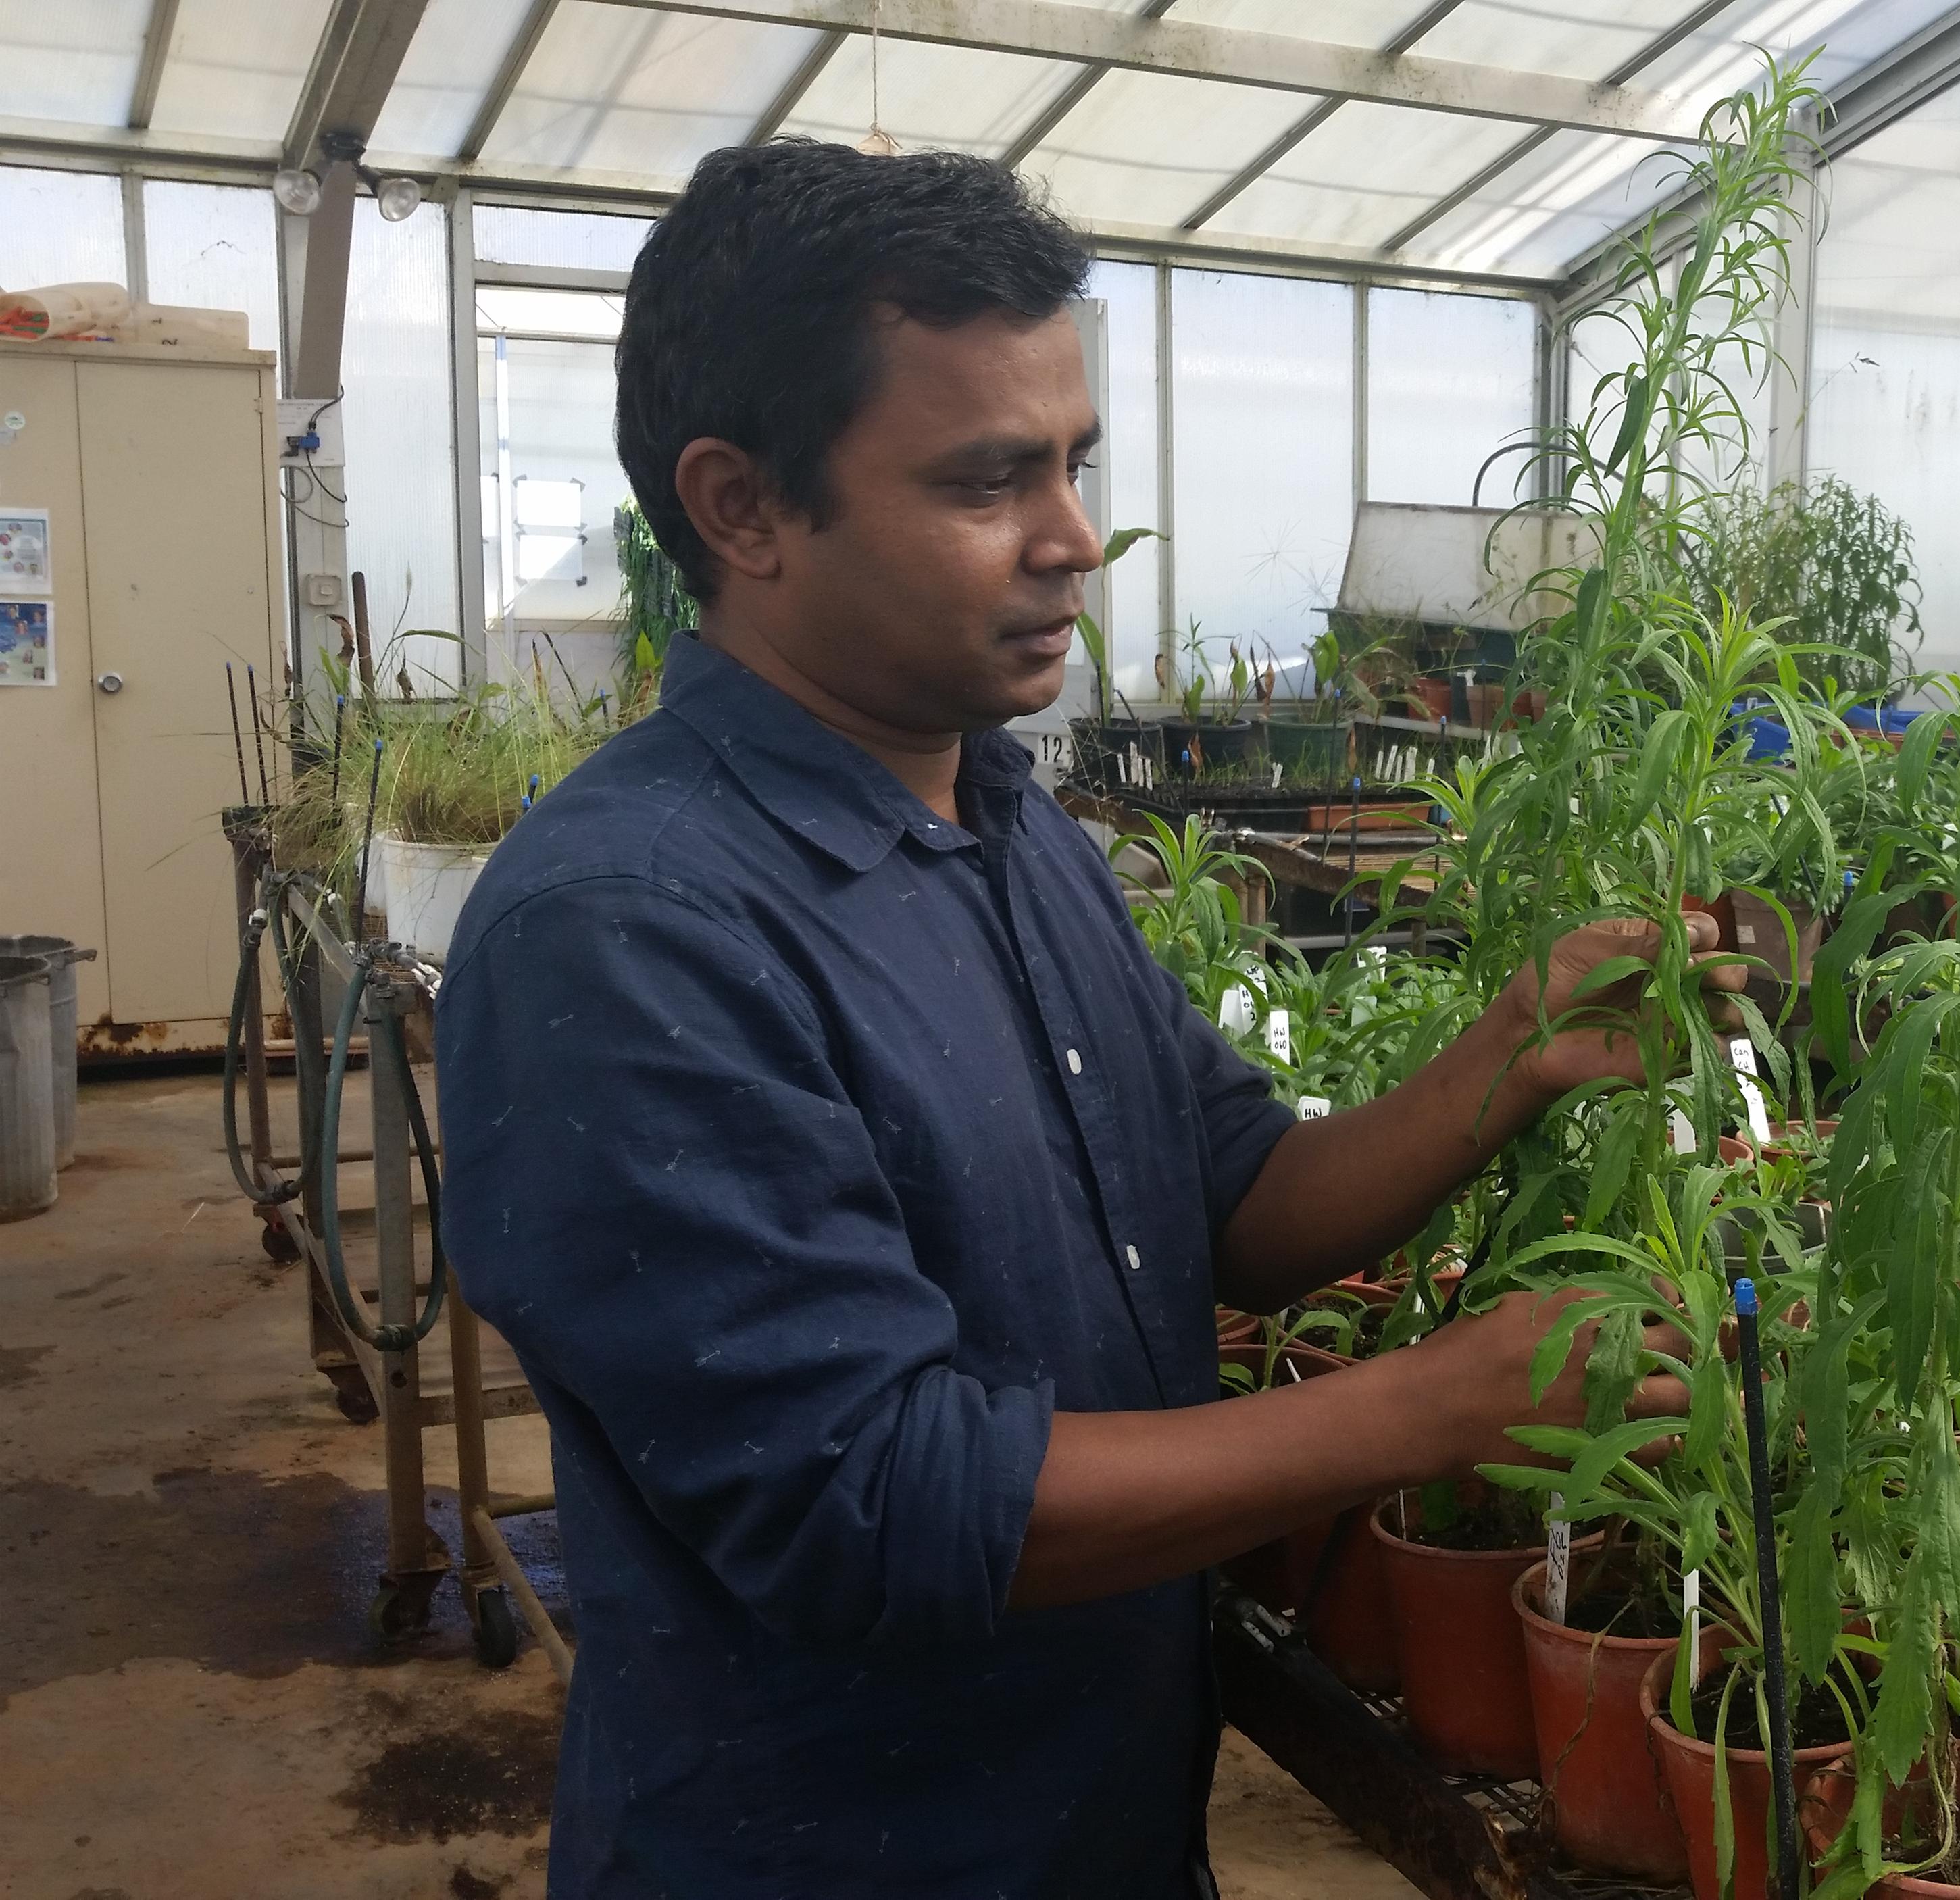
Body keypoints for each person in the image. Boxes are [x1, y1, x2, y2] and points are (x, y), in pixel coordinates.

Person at [437, 140, 1706, 1899]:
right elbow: (876, 1493)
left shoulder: (1009, 829)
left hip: (1103, 1827)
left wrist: (1513, 1045)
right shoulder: (630, 924)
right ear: (742, 508)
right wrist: (1434, 1405)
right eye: (987, 481)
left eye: (1076, 461)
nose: (1074, 538)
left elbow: (1240, 1202)